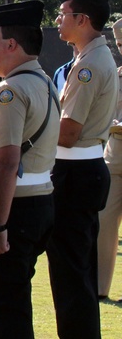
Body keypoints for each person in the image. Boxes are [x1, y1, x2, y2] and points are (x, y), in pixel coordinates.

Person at [0, 0, 58, 338]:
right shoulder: (44, 81)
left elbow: (6, 162)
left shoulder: (10, 92)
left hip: (8, 207)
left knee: (3, 308)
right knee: (9, 304)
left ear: (12, 45)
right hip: (37, 203)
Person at [48, 0, 115, 338]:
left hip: (74, 172)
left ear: (83, 19)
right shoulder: (87, 59)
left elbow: (69, 133)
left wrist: (30, 136)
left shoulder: (87, 66)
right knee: (78, 274)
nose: (58, 20)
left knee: (71, 276)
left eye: (63, 14)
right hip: (81, 171)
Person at [97, 18, 122, 301]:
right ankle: (100, 288)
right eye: (119, 44)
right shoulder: (115, 75)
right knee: (104, 223)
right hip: (114, 153)